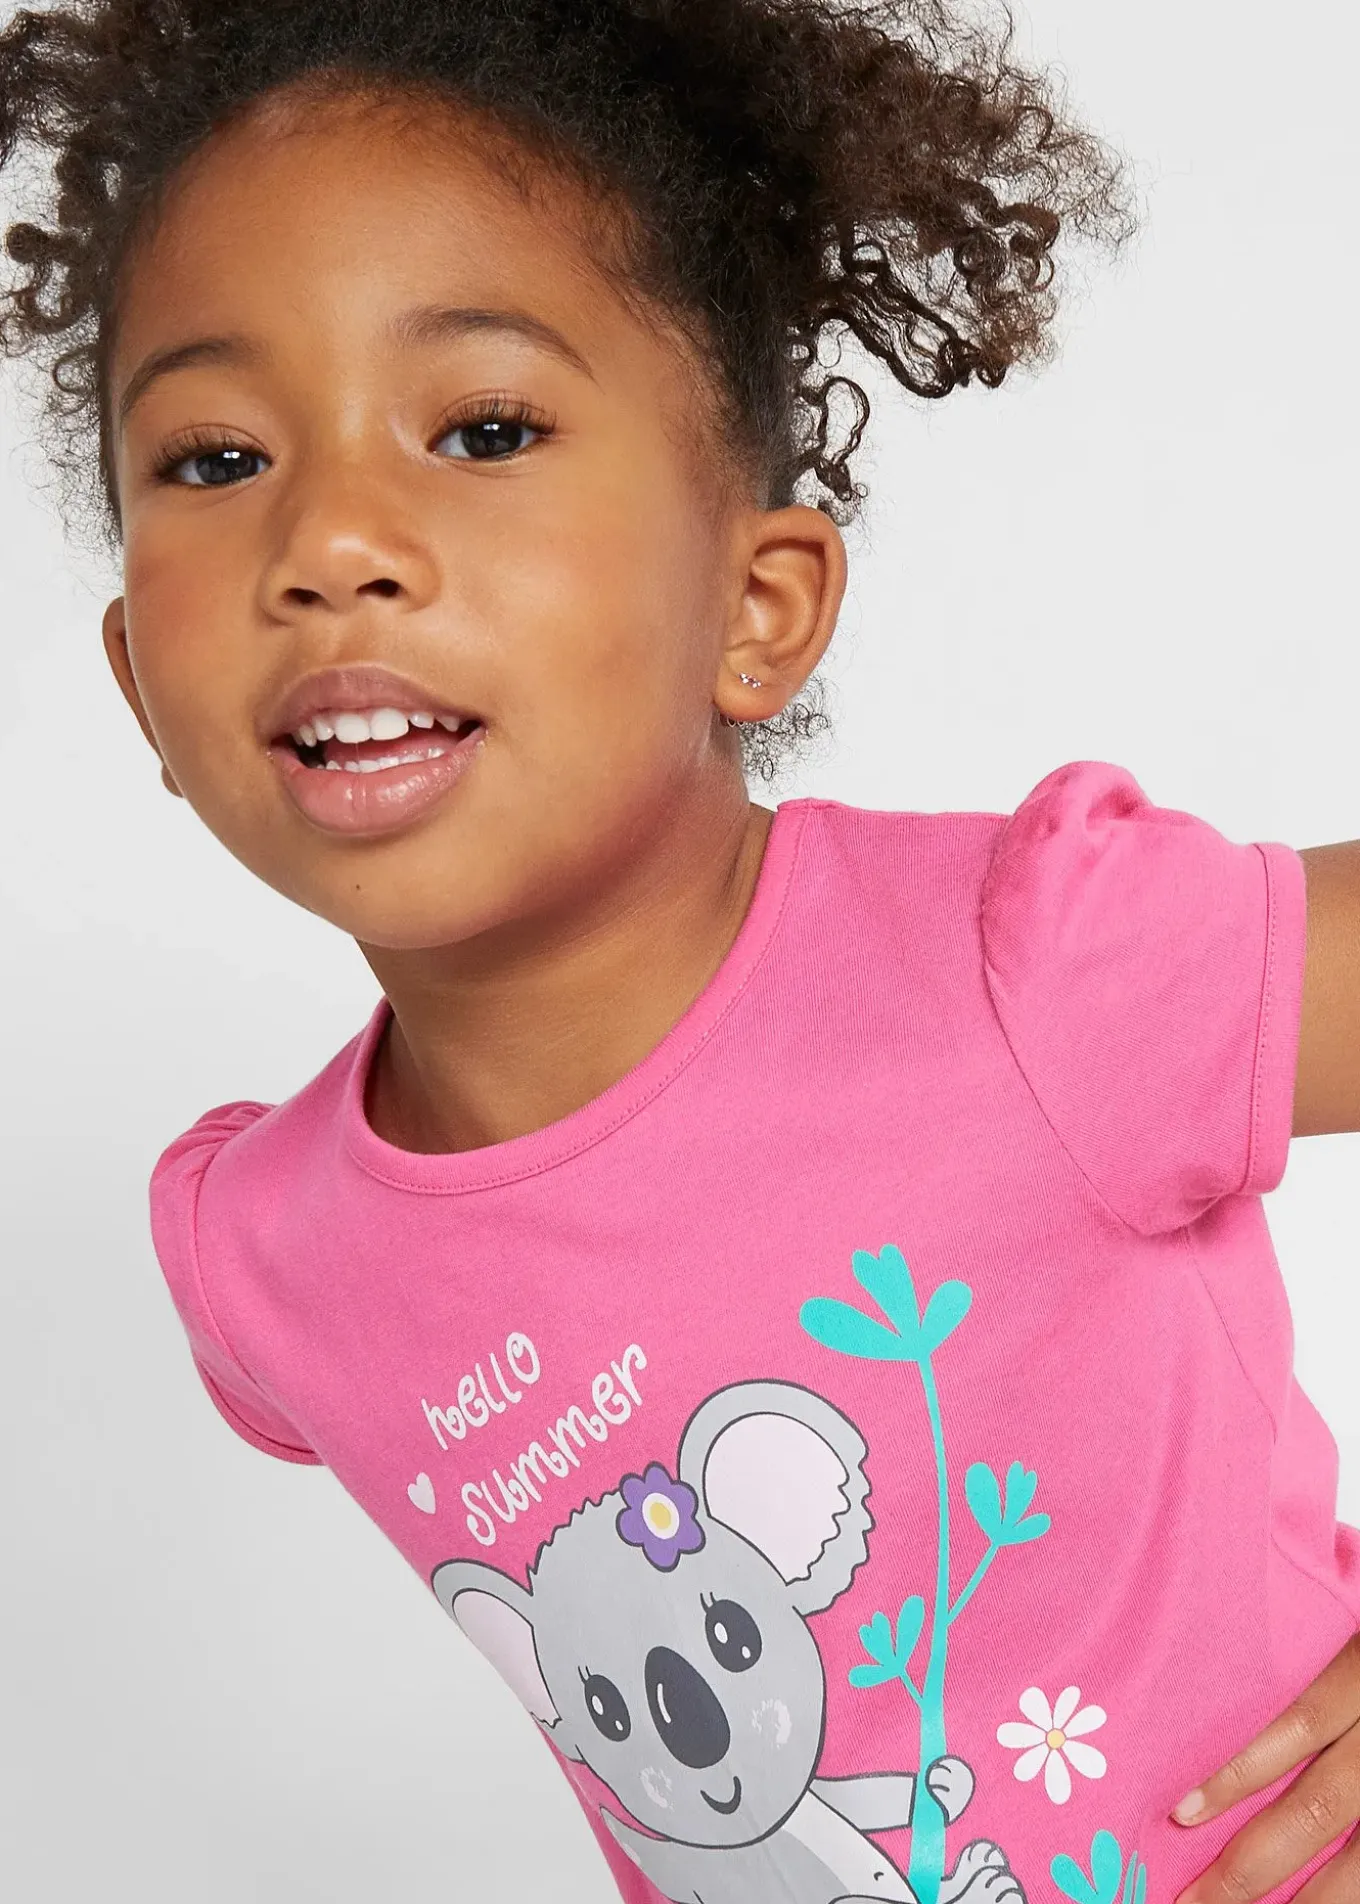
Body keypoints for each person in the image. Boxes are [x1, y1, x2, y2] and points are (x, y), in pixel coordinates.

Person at [3, 2, 1359, 1901]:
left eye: (482, 429)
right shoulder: (257, 1261)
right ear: (142, 684)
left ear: (756, 604)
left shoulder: (1036, 973)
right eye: (216, 458)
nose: (329, 541)